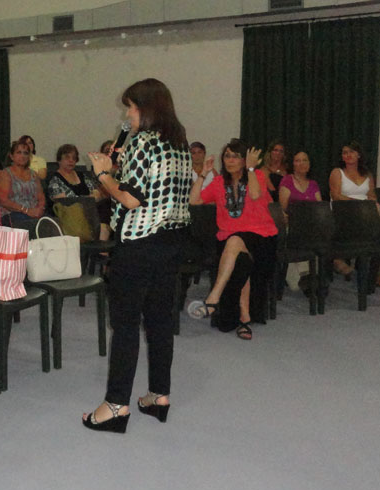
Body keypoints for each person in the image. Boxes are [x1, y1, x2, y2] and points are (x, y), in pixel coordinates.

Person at [82, 78, 192, 433]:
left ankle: (116, 406)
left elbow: (130, 199)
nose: (127, 115)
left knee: (126, 323)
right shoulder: (179, 143)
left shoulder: (142, 141)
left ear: (145, 109)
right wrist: (119, 169)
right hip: (171, 243)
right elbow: (154, 190)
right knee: (160, 322)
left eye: (130, 107)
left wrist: (103, 174)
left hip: (139, 245)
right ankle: (159, 396)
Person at [188, 138, 278, 340]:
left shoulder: (258, 176)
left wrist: (252, 169)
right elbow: (194, 200)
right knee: (240, 257)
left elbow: (254, 194)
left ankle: (213, 298)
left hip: (261, 237)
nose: (230, 160)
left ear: (244, 160)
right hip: (229, 239)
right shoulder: (218, 182)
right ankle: (244, 317)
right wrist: (203, 174)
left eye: (235, 156)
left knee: (236, 242)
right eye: (227, 156)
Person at [328, 140, 380, 284]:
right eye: (345, 153)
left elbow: (372, 196)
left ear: (358, 155)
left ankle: (374, 267)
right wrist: (357, 204)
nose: (348, 155)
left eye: (351, 152)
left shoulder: (367, 175)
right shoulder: (337, 172)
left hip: (364, 213)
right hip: (343, 212)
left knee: (377, 209)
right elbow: (336, 196)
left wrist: (368, 205)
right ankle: (371, 267)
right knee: (370, 217)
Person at [47, 144, 111, 240]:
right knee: (102, 226)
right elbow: (66, 202)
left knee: (107, 208)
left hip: (91, 214)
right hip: (72, 218)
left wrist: (90, 197)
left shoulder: (82, 175)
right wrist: (89, 198)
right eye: (67, 157)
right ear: (59, 160)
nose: (71, 160)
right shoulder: (54, 181)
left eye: (74, 158)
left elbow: (97, 194)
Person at [278, 150, 321, 291]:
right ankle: (305, 275)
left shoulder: (313, 184)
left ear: (309, 164)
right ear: (293, 164)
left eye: (304, 160)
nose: (301, 163)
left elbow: (319, 208)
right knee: (295, 287)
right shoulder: (287, 181)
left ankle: (310, 275)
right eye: (297, 160)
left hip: (311, 227)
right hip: (292, 227)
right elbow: (283, 210)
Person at [0, 140, 45, 224]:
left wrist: (40, 209)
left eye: (25, 153)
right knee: (27, 222)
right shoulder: (5, 174)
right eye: (19, 152)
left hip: (33, 213)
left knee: (50, 222)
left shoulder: (34, 174)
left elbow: (41, 197)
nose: (22, 156)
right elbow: (3, 201)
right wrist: (26, 210)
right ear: (12, 156)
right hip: (11, 214)